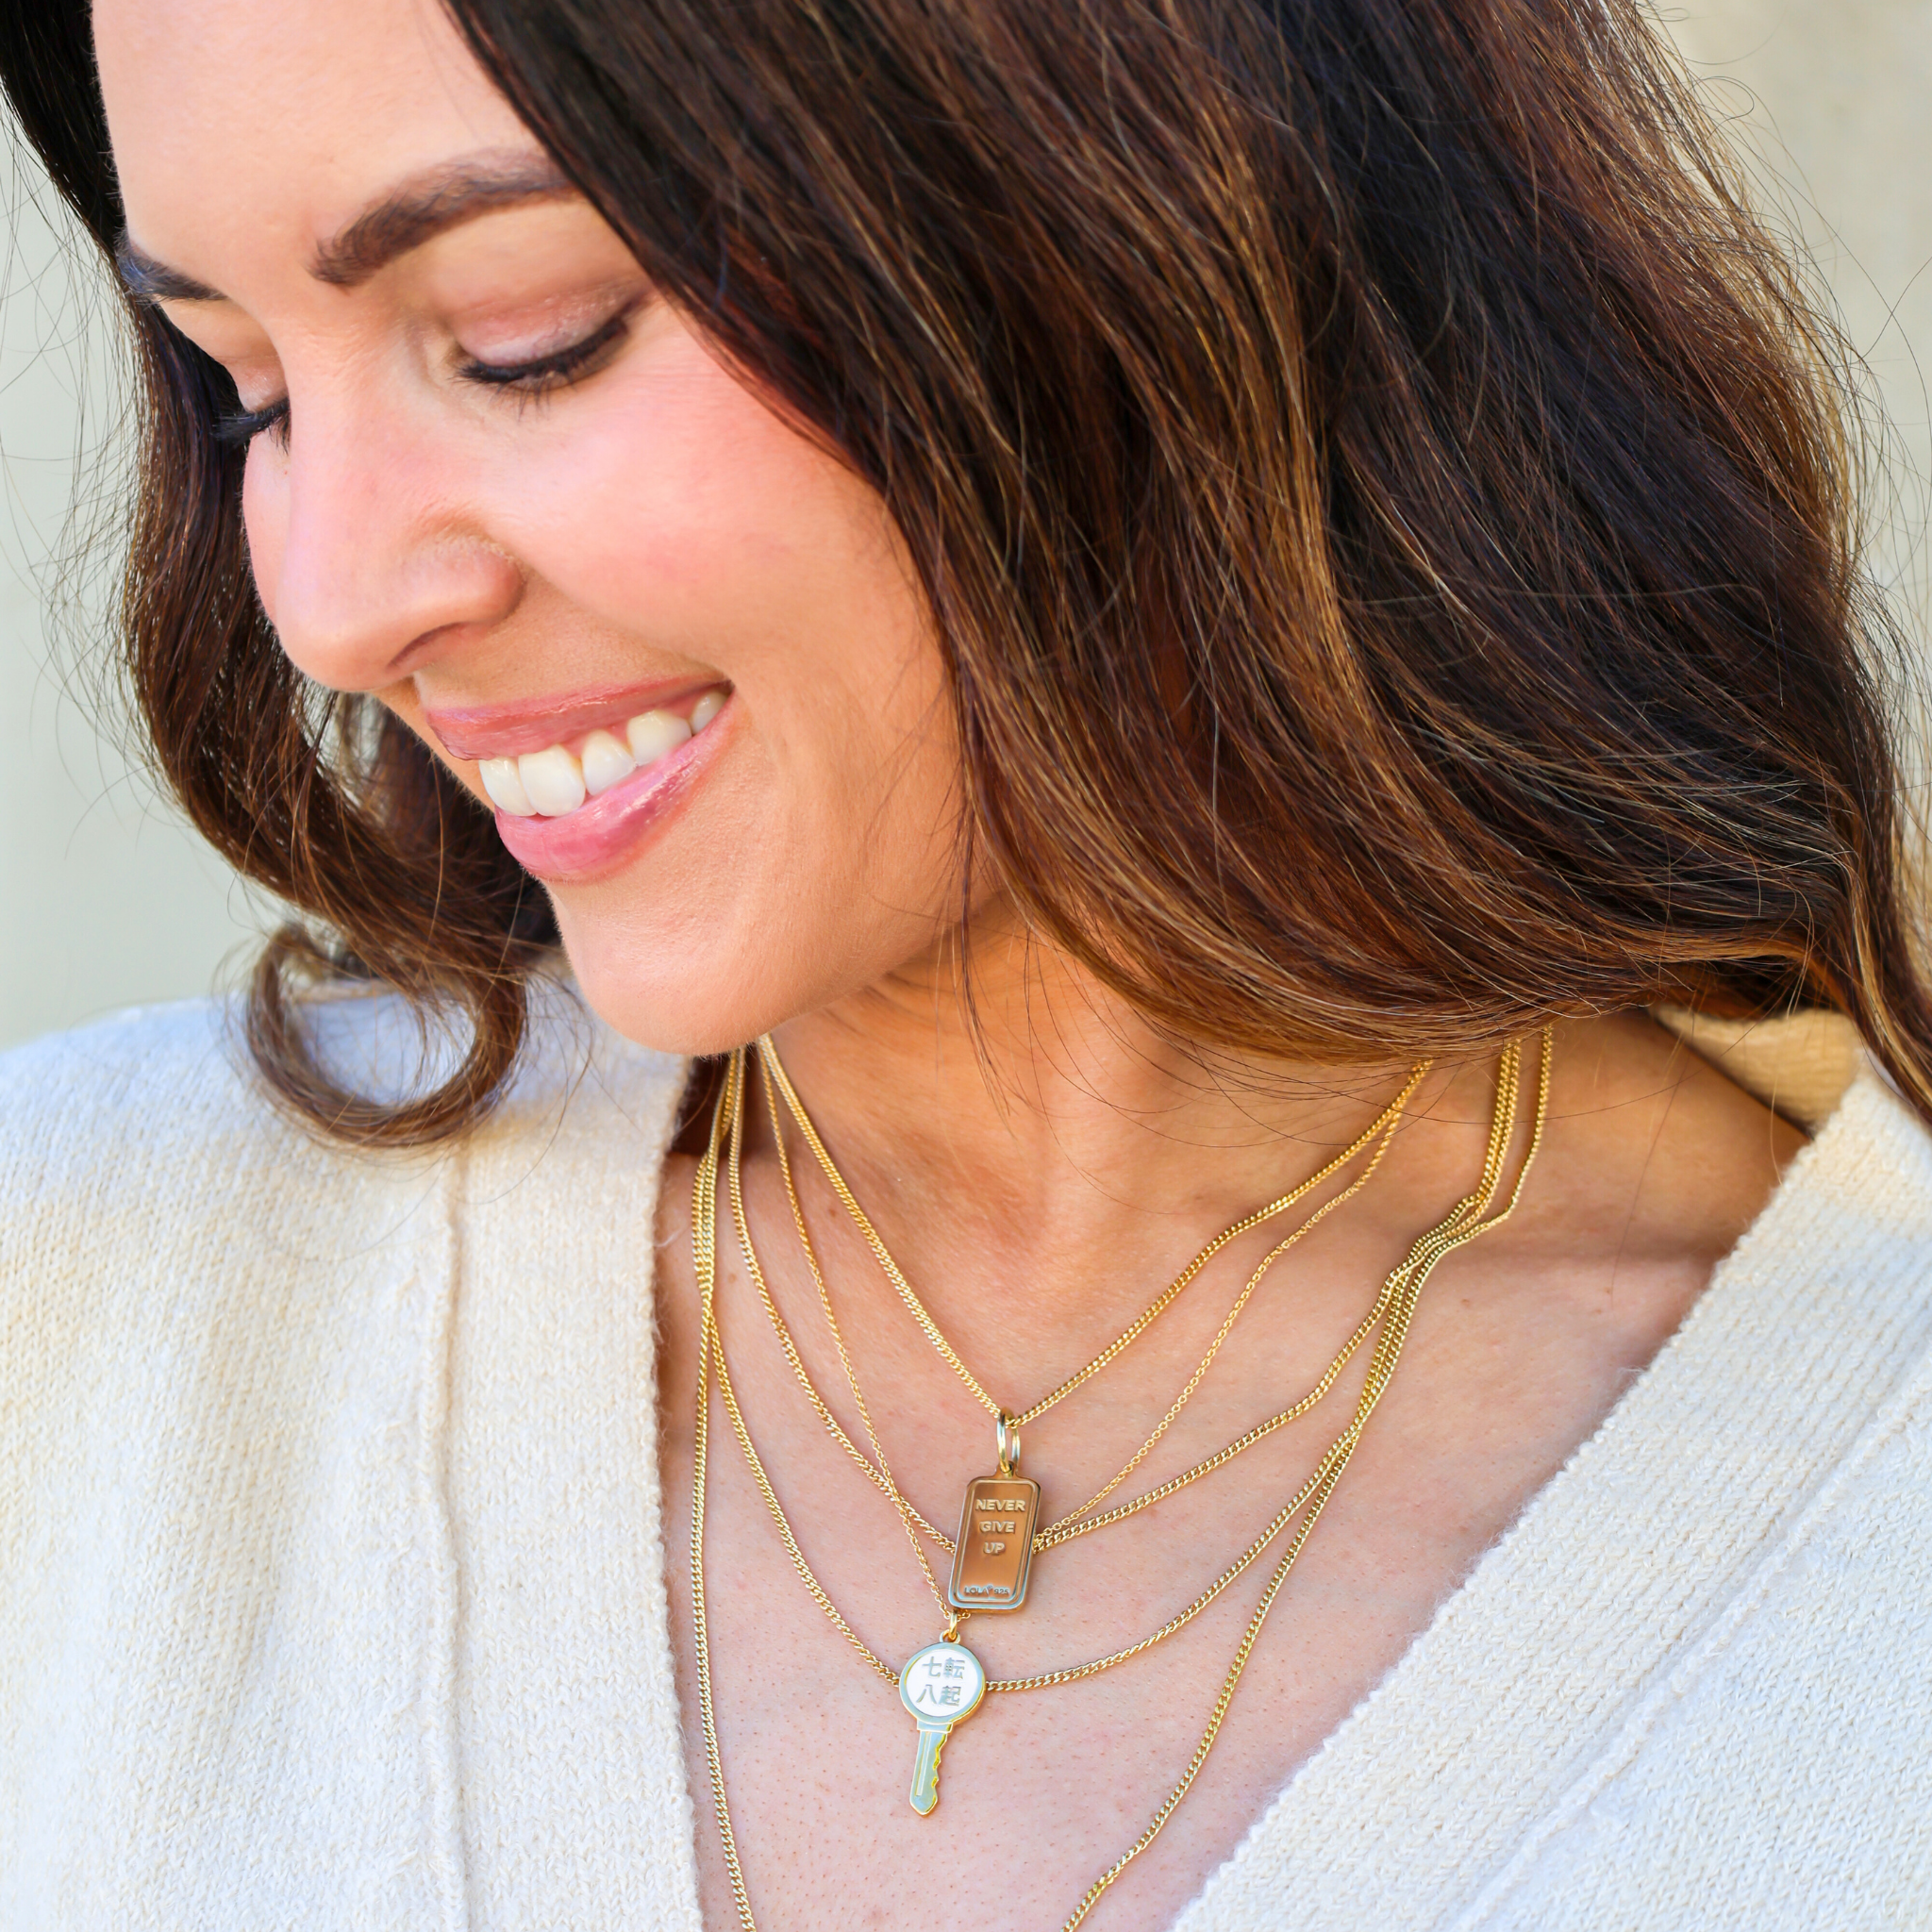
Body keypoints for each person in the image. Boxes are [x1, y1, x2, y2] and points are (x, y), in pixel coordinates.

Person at [2, 0, 1928, 1924]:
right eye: (242, 388)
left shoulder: (1860, 1512)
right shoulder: (85, 1313)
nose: (332, 603)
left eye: (527, 340)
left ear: (1126, 200)